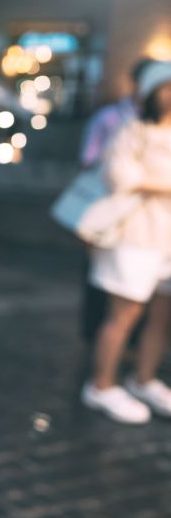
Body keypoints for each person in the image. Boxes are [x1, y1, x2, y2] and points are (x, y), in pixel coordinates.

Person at [82, 61, 171, 425]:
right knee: (124, 315)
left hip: (167, 237)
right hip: (135, 235)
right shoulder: (133, 129)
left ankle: (145, 379)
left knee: (161, 316)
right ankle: (101, 385)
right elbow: (119, 175)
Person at [78, 59, 157, 343]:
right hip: (111, 214)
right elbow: (89, 160)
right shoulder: (113, 119)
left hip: (148, 223)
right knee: (102, 286)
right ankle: (95, 345)